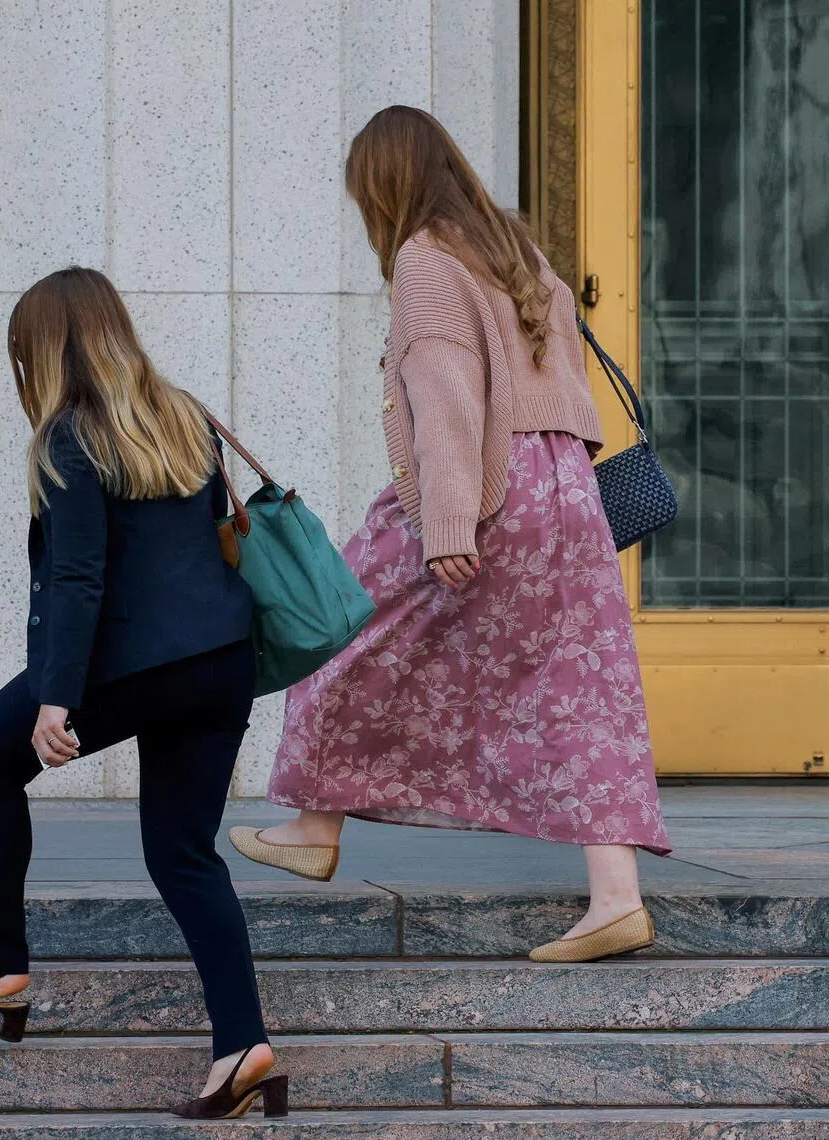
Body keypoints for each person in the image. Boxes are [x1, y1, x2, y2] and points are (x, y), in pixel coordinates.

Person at [230, 105, 670, 962]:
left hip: (484, 486)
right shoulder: (513, 249)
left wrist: (446, 520)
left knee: (341, 624)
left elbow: (449, 396)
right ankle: (616, 896)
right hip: (567, 495)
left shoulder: (425, 259)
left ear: (384, 184)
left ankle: (317, 823)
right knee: (580, 690)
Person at [0, 268, 286, 1119]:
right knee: (185, 854)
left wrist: (57, 698)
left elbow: (78, 577)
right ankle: (244, 1047)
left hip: (131, 666)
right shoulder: (182, 415)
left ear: (48, 349)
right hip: (220, 662)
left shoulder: (72, 436)